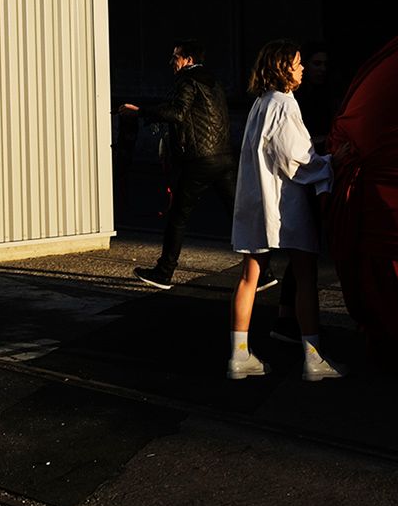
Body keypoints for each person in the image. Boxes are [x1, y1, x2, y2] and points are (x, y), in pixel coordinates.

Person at [227, 39, 342, 381]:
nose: (303, 67)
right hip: (284, 202)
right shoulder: (284, 104)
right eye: (297, 63)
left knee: (249, 277)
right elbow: (295, 159)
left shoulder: (260, 103)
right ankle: (313, 357)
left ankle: (239, 355)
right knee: (305, 276)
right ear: (283, 68)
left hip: (255, 200)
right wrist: (332, 163)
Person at [119, 40, 275, 291]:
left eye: (176, 57)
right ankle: (264, 273)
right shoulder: (213, 81)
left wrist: (140, 112)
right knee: (238, 215)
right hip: (223, 157)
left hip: (199, 160)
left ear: (188, 60)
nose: (172, 62)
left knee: (178, 217)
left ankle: (163, 273)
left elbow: (177, 112)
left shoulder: (187, 80)